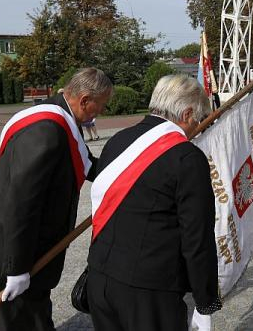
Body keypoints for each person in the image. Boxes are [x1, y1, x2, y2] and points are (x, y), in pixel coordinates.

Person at [0, 68, 112, 331]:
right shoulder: (47, 131)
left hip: (29, 248)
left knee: (37, 318)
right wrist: (15, 270)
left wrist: (131, 169)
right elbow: (21, 205)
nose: (102, 111)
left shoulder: (61, 116)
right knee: (19, 324)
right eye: (102, 104)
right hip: (9, 251)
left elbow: (85, 164)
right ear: (85, 99)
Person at [87, 74, 221, 330]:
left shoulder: (119, 140)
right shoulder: (186, 157)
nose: (198, 127)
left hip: (100, 276)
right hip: (148, 290)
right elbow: (197, 237)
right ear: (188, 114)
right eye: (200, 119)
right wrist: (206, 303)